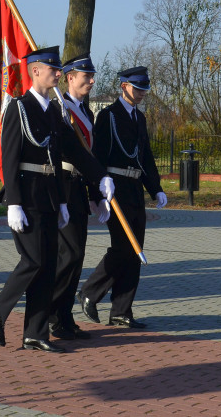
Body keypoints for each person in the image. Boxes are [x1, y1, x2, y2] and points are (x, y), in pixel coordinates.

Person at [0, 46, 113, 352]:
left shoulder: (55, 113)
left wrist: (99, 177)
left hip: (50, 198)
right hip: (26, 197)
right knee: (33, 261)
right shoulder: (19, 108)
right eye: (53, 69)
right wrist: (13, 202)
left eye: (59, 69)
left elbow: (74, 153)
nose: (58, 73)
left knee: (47, 267)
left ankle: (35, 332)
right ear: (35, 71)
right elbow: (10, 158)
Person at [78, 66, 165, 329]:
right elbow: (98, 156)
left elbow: (146, 156)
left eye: (143, 90)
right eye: (136, 89)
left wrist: (156, 188)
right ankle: (89, 292)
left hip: (135, 187)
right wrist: (98, 193)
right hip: (114, 187)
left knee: (135, 248)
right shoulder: (108, 116)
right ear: (123, 86)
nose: (140, 94)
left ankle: (121, 310)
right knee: (123, 247)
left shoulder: (140, 118)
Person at [48, 53, 109, 341]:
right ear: (70, 77)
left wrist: (97, 195)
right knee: (68, 254)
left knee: (78, 255)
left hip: (79, 188)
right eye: (87, 76)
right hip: (63, 186)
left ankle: (64, 316)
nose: (92, 81)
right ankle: (51, 314)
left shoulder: (86, 112)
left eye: (92, 76)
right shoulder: (59, 109)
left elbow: (91, 156)